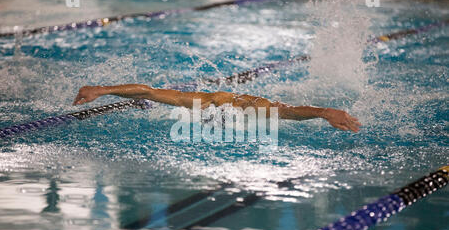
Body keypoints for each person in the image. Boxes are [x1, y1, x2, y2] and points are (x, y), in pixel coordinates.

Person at [73, 84, 361, 132]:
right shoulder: (201, 102)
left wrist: (324, 112)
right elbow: (149, 91)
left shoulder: (250, 107)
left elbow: (290, 112)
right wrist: (102, 90)